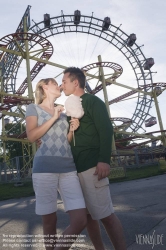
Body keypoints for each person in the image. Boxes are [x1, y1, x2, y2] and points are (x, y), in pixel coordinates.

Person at [61, 67, 127, 250]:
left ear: (76, 83)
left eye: (64, 81)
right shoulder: (69, 109)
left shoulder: (92, 101)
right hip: (75, 170)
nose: (61, 85)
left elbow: (106, 129)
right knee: (89, 217)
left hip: (92, 166)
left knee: (106, 216)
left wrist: (104, 160)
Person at [25, 78, 87, 250]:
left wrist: (72, 130)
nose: (59, 86)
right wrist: (53, 117)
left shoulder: (64, 112)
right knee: (50, 221)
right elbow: (31, 136)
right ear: (45, 87)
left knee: (80, 219)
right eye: (55, 83)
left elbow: (64, 142)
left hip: (68, 168)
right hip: (44, 169)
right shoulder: (34, 108)